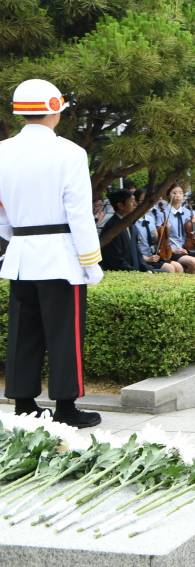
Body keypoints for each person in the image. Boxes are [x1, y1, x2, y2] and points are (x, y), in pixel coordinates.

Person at [0, 78, 104, 427]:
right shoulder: (70, 153)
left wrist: (16, 238)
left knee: (22, 333)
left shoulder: (2, 151)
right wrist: (91, 260)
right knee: (64, 333)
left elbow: (1, 215)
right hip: (61, 256)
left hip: (20, 255)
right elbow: (78, 212)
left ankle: (24, 404)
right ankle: (65, 408)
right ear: (55, 110)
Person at [152, 185, 195, 274]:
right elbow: (159, 239)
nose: (178, 195)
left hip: (188, 247)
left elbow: (194, 233)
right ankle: (190, 284)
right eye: (174, 193)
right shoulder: (162, 213)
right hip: (172, 249)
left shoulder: (187, 212)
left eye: (180, 193)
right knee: (193, 262)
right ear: (168, 195)